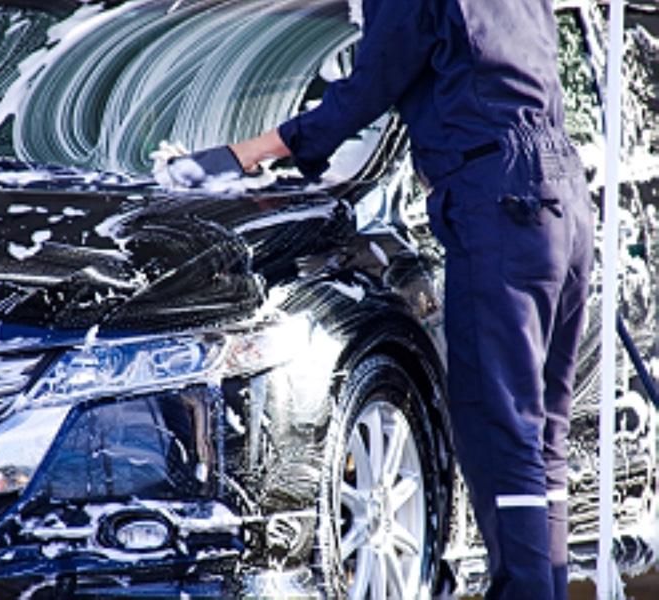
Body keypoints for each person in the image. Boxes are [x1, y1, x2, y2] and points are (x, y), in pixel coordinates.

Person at [220, 1, 594, 599]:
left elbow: (370, 86)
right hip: (561, 200)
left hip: (501, 205)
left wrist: (254, 151)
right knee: (538, 432)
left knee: (500, 428)